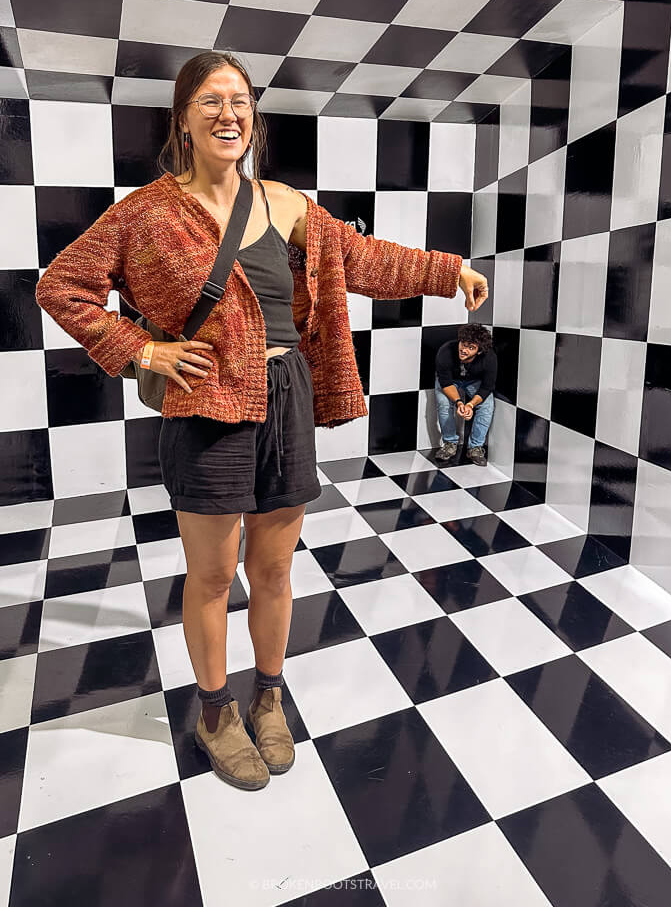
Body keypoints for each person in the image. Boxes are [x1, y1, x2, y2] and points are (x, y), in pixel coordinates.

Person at [35, 51, 489, 792]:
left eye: (240, 100)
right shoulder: (146, 213)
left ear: (253, 117)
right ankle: (215, 712)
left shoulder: (284, 203)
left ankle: (268, 696)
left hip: (288, 395)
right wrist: (141, 347)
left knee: (273, 568)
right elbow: (63, 285)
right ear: (183, 119)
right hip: (207, 405)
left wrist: (446, 271)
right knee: (211, 575)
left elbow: (364, 259)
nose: (229, 113)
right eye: (211, 100)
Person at [434, 324, 497, 466]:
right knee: (444, 403)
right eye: (463, 344)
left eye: (471, 348)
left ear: (479, 351)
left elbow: (487, 387)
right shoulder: (446, 351)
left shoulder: (489, 358)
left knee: (487, 405)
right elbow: (445, 383)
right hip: (451, 381)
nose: (464, 350)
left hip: (474, 381)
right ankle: (450, 443)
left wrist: (470, 404)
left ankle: (475, 447)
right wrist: (459, 403)